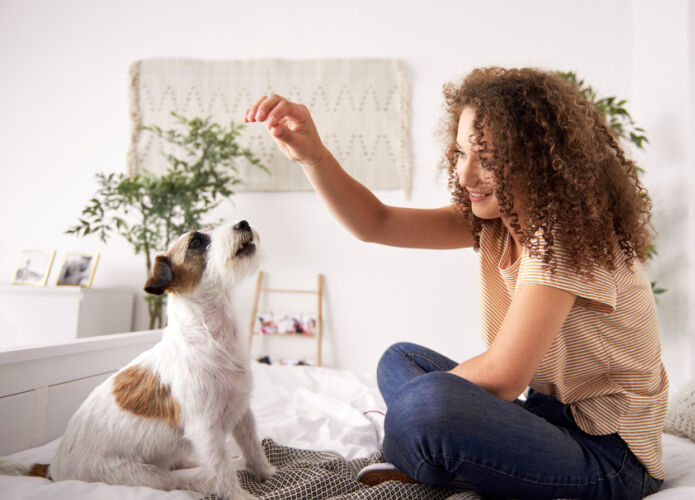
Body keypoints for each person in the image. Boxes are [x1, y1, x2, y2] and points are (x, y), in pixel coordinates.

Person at [244, 66, 668, 499]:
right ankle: (430, 448)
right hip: (546, 418)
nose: (466, 177)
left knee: (426, 404)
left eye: (487, 159)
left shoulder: (565, 236)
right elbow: (377, 222)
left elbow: (504, 377)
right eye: (463, 154)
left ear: (537, 161)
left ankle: (421, 448)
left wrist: (428, 403)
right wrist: (315, 156)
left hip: (611, 458)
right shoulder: (500, 221)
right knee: (401, 359)